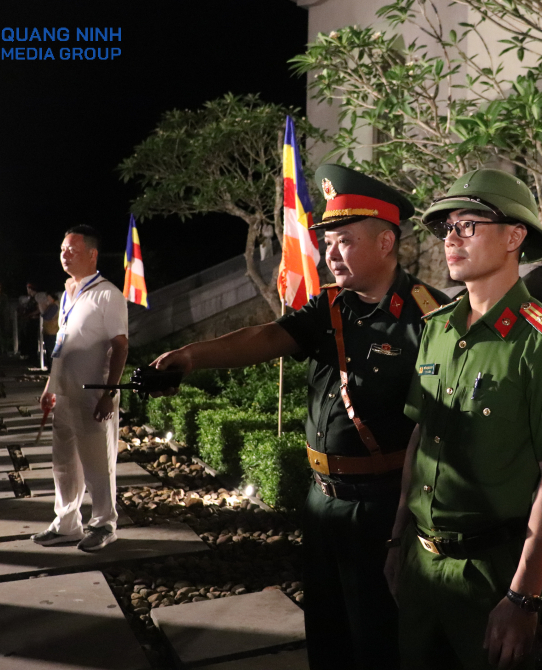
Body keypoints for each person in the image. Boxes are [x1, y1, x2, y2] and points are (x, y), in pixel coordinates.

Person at [151, 165, 449, 670]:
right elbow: (267, 337)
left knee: (377, 636)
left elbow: (440, 430)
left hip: (381, 507)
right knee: (327, 633)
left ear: (386, 242)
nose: (331, 254)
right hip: (320, 501)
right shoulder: (329, 308)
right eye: (328, 242)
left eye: (345, 241)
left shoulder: (428, 317)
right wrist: (191, 356)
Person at [386, 170, 542, 670]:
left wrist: (523, 596)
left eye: (468, 225)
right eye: (447, 227)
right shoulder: (436, 329)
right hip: (419, 562)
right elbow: (420, 437)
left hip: (492, 574)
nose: (451, 238)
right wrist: (396, 540)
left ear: (514, 236)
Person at [31, 225, 129, 553]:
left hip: (93, 395)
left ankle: (104, 524)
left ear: (92, 254)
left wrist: (109, 393)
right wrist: (50, 385)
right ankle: (66, 524)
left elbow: (121, 346)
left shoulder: (108, 294)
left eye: (72, 249)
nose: (65, 255)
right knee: (63, 463)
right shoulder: (67, 294)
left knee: (98, 462)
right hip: (64, 394)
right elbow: (63, 344)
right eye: (62, 249)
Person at [41, 292, 60, 369]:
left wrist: (43, 309)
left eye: (48, 298)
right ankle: (51, 367)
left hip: (52, 331)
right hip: (51, 330)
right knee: (51, 350)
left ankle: (52, 368)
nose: (47, 299)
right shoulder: (55, 305)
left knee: (51, 350)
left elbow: (47, 316)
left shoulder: (54, 306)